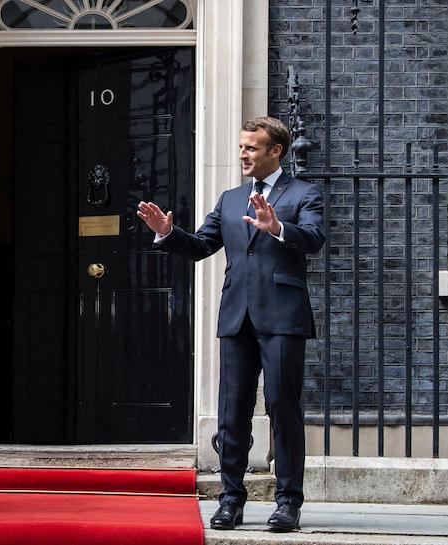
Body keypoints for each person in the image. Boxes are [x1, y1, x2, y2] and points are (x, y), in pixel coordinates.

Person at [138, 117, 325, 532]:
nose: (243, 154)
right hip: (237, 316)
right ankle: (231, 500)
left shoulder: (303, 193)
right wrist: (168, 233)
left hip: (283, 317)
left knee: (283, 408)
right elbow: (203, 245)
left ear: (275, 150)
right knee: (232, 413)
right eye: (242, 146)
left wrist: (277, 227)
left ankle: (288, 503)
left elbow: (313, 238)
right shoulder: (231, 198)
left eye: (252, 148)